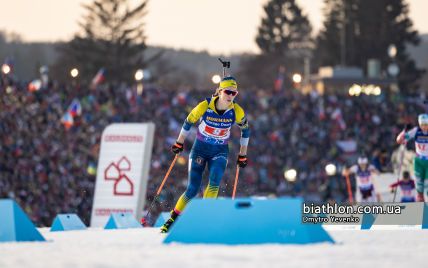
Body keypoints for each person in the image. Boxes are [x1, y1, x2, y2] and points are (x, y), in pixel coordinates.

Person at [160, 76, 250, 233]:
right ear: (220, 91)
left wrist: (243, 154)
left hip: (220, 151)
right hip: (200, 149)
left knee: (214, 183)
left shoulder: (237, 111)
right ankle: (172, 220)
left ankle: (205, 219)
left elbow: (246, 130)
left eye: (234, 93)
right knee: (193, 189)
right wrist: (179, 142)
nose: (231, 96)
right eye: (228, 92)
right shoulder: (205, 105)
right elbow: (188, 122)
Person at [396, 114, 428, 201]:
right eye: (422, 125)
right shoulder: (416, 131)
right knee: (419, 188)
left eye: (426, 125)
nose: (424, 127)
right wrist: (403, 133)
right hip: (418, 161)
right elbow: (399, 140)